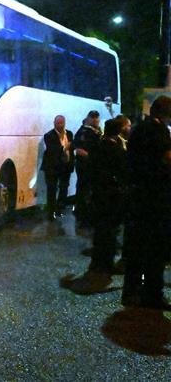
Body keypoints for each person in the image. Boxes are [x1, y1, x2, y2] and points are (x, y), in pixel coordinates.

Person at [61, 115, 130, 294]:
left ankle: (99, 263)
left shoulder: (98, 147)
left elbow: (90, 170)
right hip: (112, 196)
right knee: (110, 230)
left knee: (101, 230)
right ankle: (105, 263)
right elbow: (123, 171)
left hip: (99, 195)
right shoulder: (116, 149)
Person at [121, 95, 171, 310]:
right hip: (154, 200)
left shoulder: (139, 129)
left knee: (136, 247)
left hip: (137, 198)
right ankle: (152, 293)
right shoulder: (158, 131)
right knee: (155, 249)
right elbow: (167, 160)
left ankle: (131, 291)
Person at [41, 115, 74, 220]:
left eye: (62, 123)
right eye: (58, 123)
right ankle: (51, 212)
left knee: (64, 188)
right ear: (54, 123)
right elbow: (53, 150)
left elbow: (72, 147)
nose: (60, 125)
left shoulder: (69, 134)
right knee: (52, 189)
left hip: (66, 166)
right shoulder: (49, 135)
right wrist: (65, 148)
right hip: (53, 166)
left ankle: (59, 209)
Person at [72, 110, 102, 228]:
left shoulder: (96, 131)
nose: (96, 120)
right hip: (85, 165)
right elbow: (77, 145)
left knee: (86, 189)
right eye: (93, 118)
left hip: (91, 164)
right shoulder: (84, 131)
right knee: (84, 188)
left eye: (97, 118)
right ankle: (82, 213)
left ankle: (84, 212)